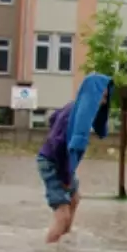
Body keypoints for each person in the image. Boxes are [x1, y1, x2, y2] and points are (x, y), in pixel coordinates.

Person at [37, 72, 112, 243]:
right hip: (53, 162)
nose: (105, 102)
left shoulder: (75, 108)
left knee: (75, 198)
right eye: (103, 96)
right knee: (62, 214)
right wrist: (65, 177)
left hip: (59, 162)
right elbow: (58, 146)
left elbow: (53, 118)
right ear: (92, 94)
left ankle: (64, 241)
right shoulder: (72, 114)